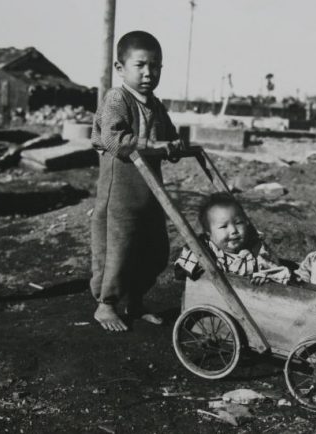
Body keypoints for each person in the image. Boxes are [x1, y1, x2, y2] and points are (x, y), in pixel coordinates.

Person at [90, 30, 185, 332]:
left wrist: (175, 146)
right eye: (140, 65)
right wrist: (153, 145)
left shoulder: (156, 104)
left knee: (154, 249)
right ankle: (106, 303)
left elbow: (169, 135)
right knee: (117, 248)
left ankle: (136, 299)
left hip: (152, 190)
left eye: (155, 66)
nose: (148, 73)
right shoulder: (116, 99)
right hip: (121, 189)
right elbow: (113, 140)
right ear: (120, 68)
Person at [174, 193, 291, 285]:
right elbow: (184, 268)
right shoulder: (204, 251)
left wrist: (265, 276)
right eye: (224, 226)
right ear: (209, 234)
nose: (233, 230)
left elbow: (278, 271)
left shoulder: (256, 249)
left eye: (238, 223)